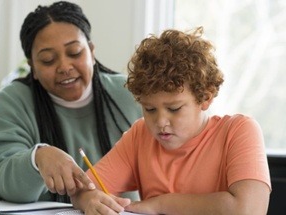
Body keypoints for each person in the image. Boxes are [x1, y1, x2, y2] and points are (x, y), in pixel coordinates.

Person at [70, 27, 271, 214]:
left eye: (174, 109)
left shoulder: (239, 130)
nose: (160, 122)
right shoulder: (140, 135)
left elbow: (249, 209)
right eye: (149, 109)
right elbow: (83, 189)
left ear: (205, 98)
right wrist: (89, 199)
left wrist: (160, 204)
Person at [0, 1, 142, 203]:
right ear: (32, 67)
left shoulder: (132, 93)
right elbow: (2, 178)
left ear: (91, 51)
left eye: (74, 53)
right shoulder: (11, 103)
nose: (64, 66)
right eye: (47, 60)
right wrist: (37, 158)